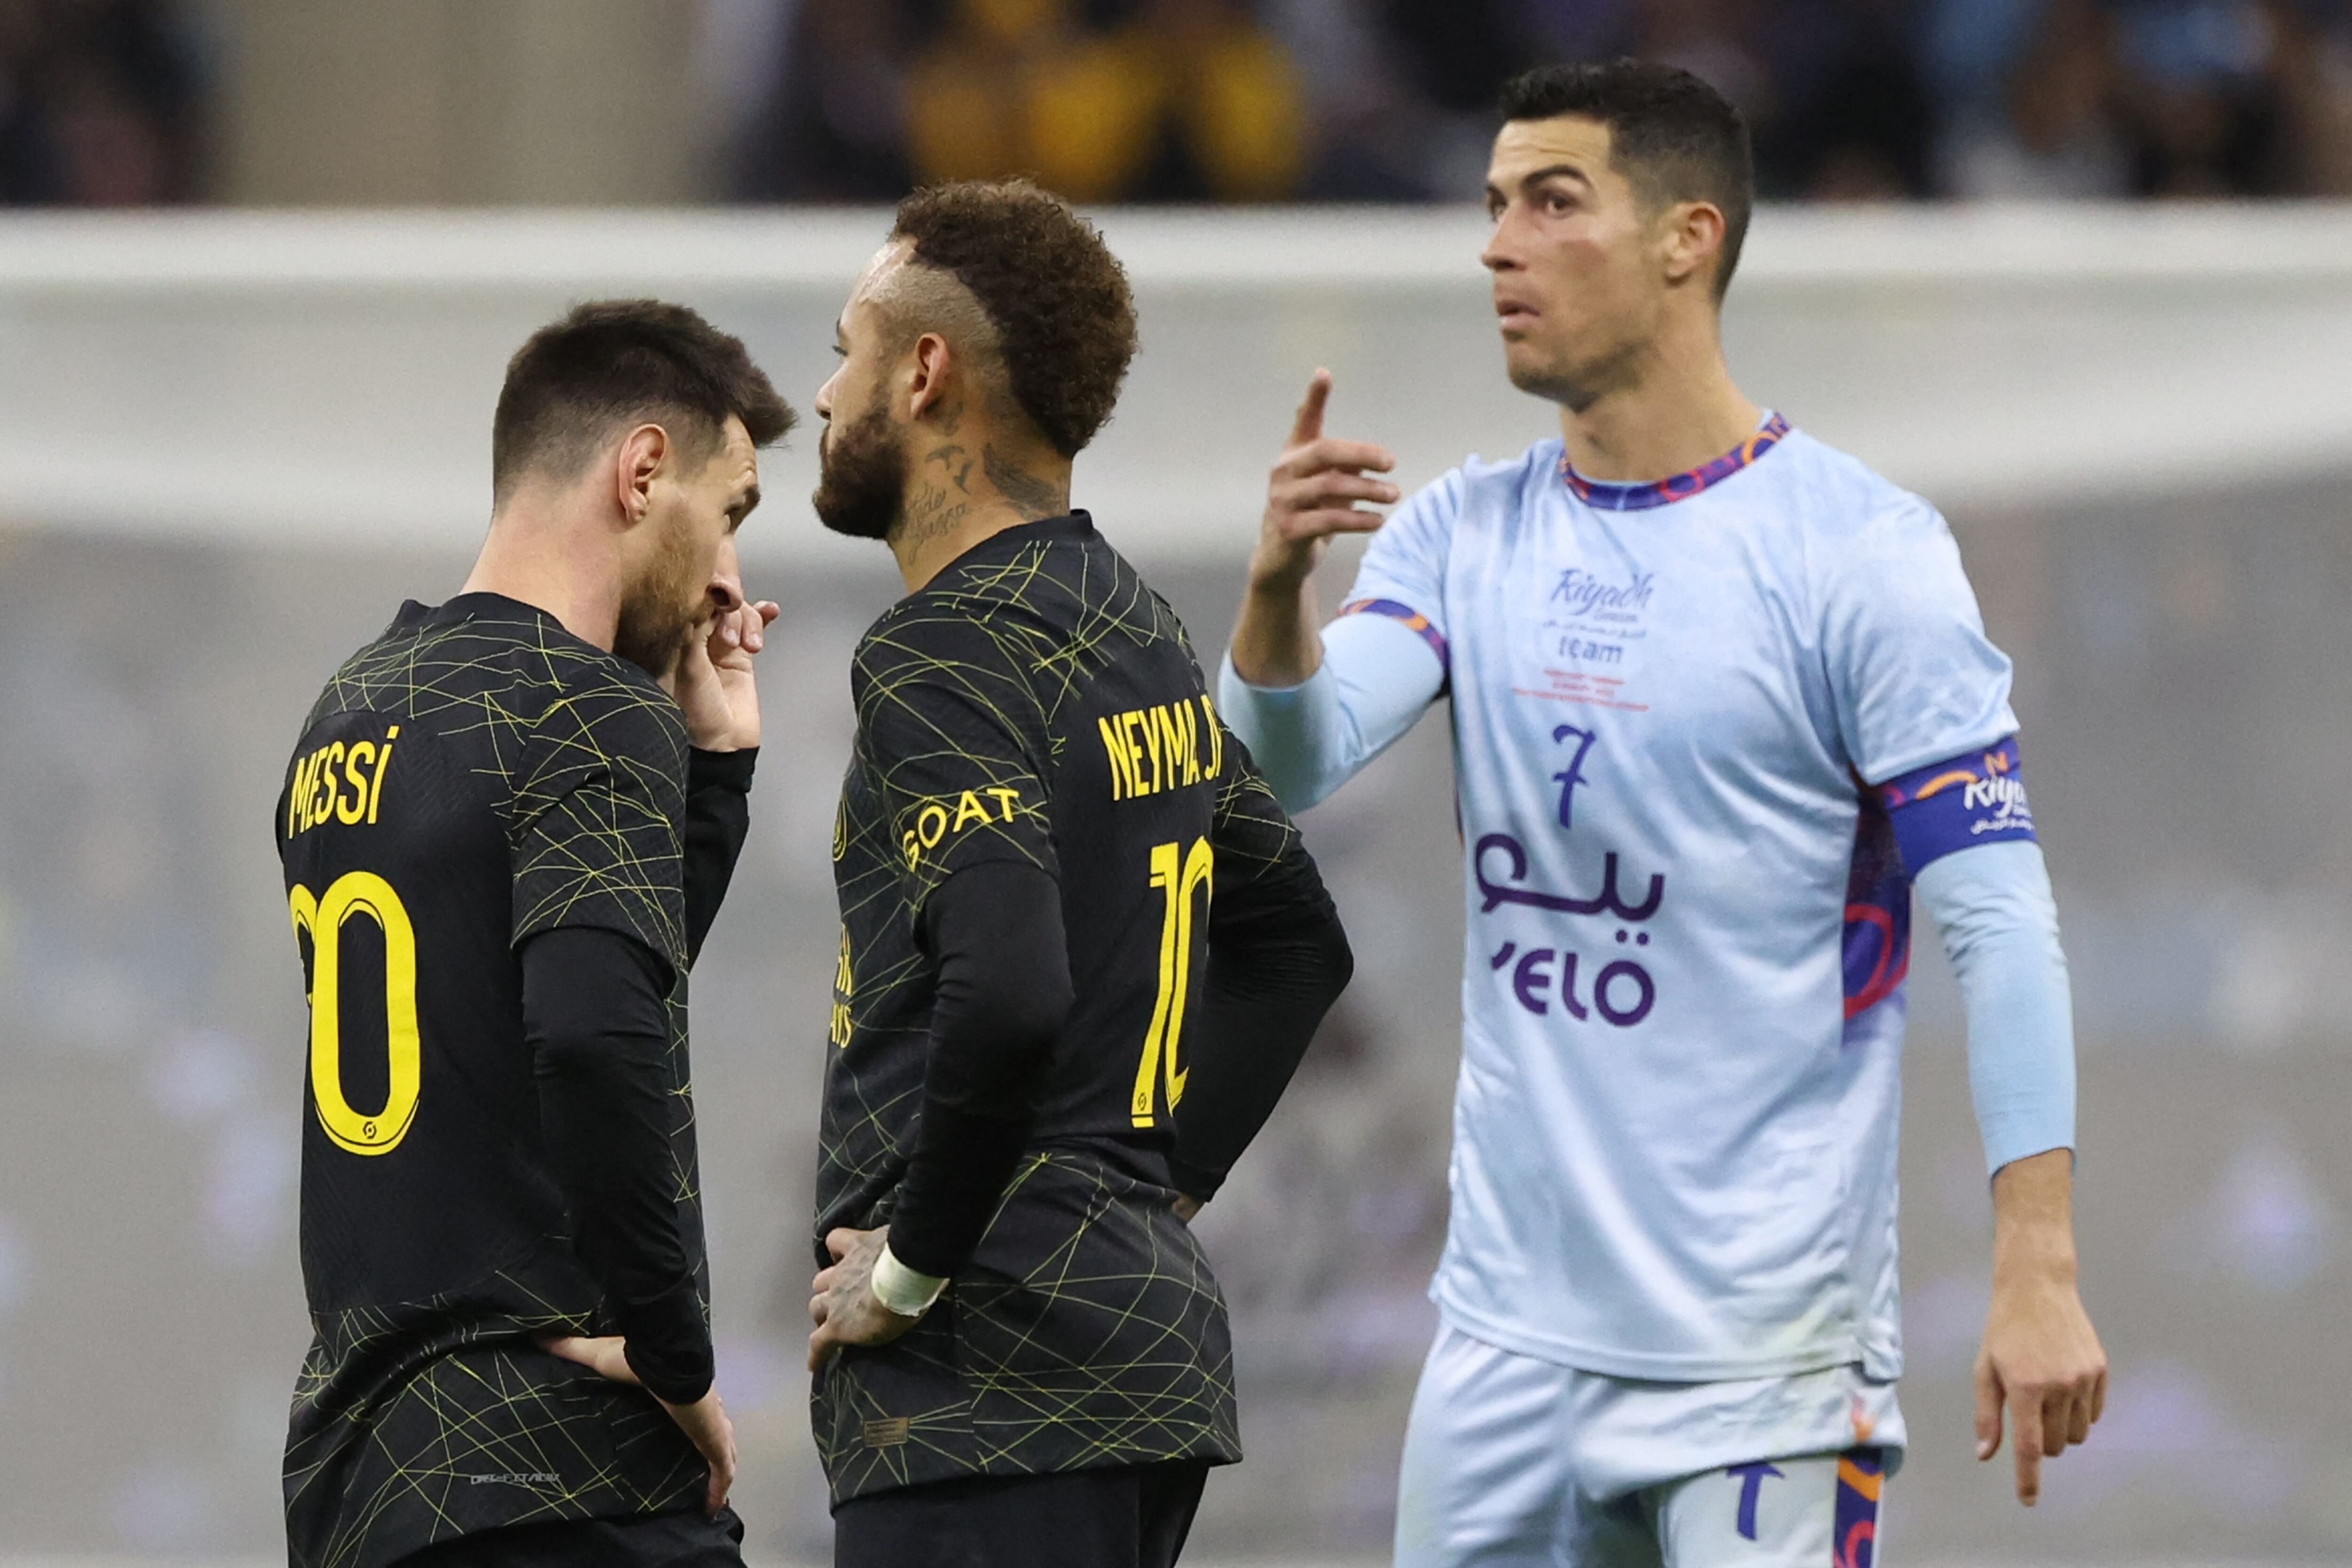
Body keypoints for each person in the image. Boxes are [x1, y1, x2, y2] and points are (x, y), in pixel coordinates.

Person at [1216, 60, 2107, 1568]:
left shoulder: (1861, 555)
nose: (1498, 244)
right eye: (1493, 205)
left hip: (1762, 1366)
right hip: (1502, 1346)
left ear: (1689, 238)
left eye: (1551, 203)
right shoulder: (1461, 532)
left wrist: (2038, 1262)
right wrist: (1270, 598)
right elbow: (1283, 765)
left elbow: (1998, 918)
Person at [801, 178, 1356, 1568]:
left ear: (925, 374)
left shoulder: (941, 652)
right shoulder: (1133, 627)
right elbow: (1296, 944)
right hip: (1133, 1365)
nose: (821, 398)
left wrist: (911, 1270)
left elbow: (1007, 988)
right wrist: (1153, 1191)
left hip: (987, 1388)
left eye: (842, 349)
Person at [274, 300, 794, 1568]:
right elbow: (596, 1035)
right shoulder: (583, 703)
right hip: (560, 1469)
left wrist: (712, 782)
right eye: (730, 512)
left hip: (371, 1482)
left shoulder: (347, 713)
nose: (729, 575)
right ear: (642, 471)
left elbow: (574, 986)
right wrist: (676, 1357)